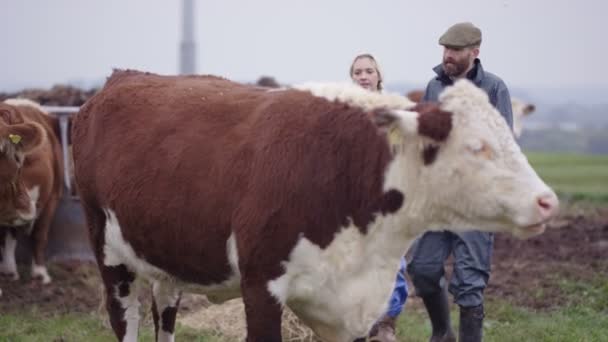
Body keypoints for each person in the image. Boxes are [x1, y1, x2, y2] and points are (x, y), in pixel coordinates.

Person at [406, 22, 513, 342]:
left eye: (455, 50)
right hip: (438, 201)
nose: (448, 55)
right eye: (445, 49)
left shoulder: (494, 88)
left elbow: (504, 144)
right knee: (422, 271)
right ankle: (442, 332)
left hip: (476, 203)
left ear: (474, 52)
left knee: (469, 286)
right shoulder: (433, 86)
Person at [349, 53, 409, 342]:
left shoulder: (393, 111)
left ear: (378, 76)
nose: (363, 76)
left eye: (368, 71)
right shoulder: (344, 111)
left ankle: (387, 323)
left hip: (388, 197)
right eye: (358, 72)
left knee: (392, 261)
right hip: (353, 201)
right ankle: (359, 325)